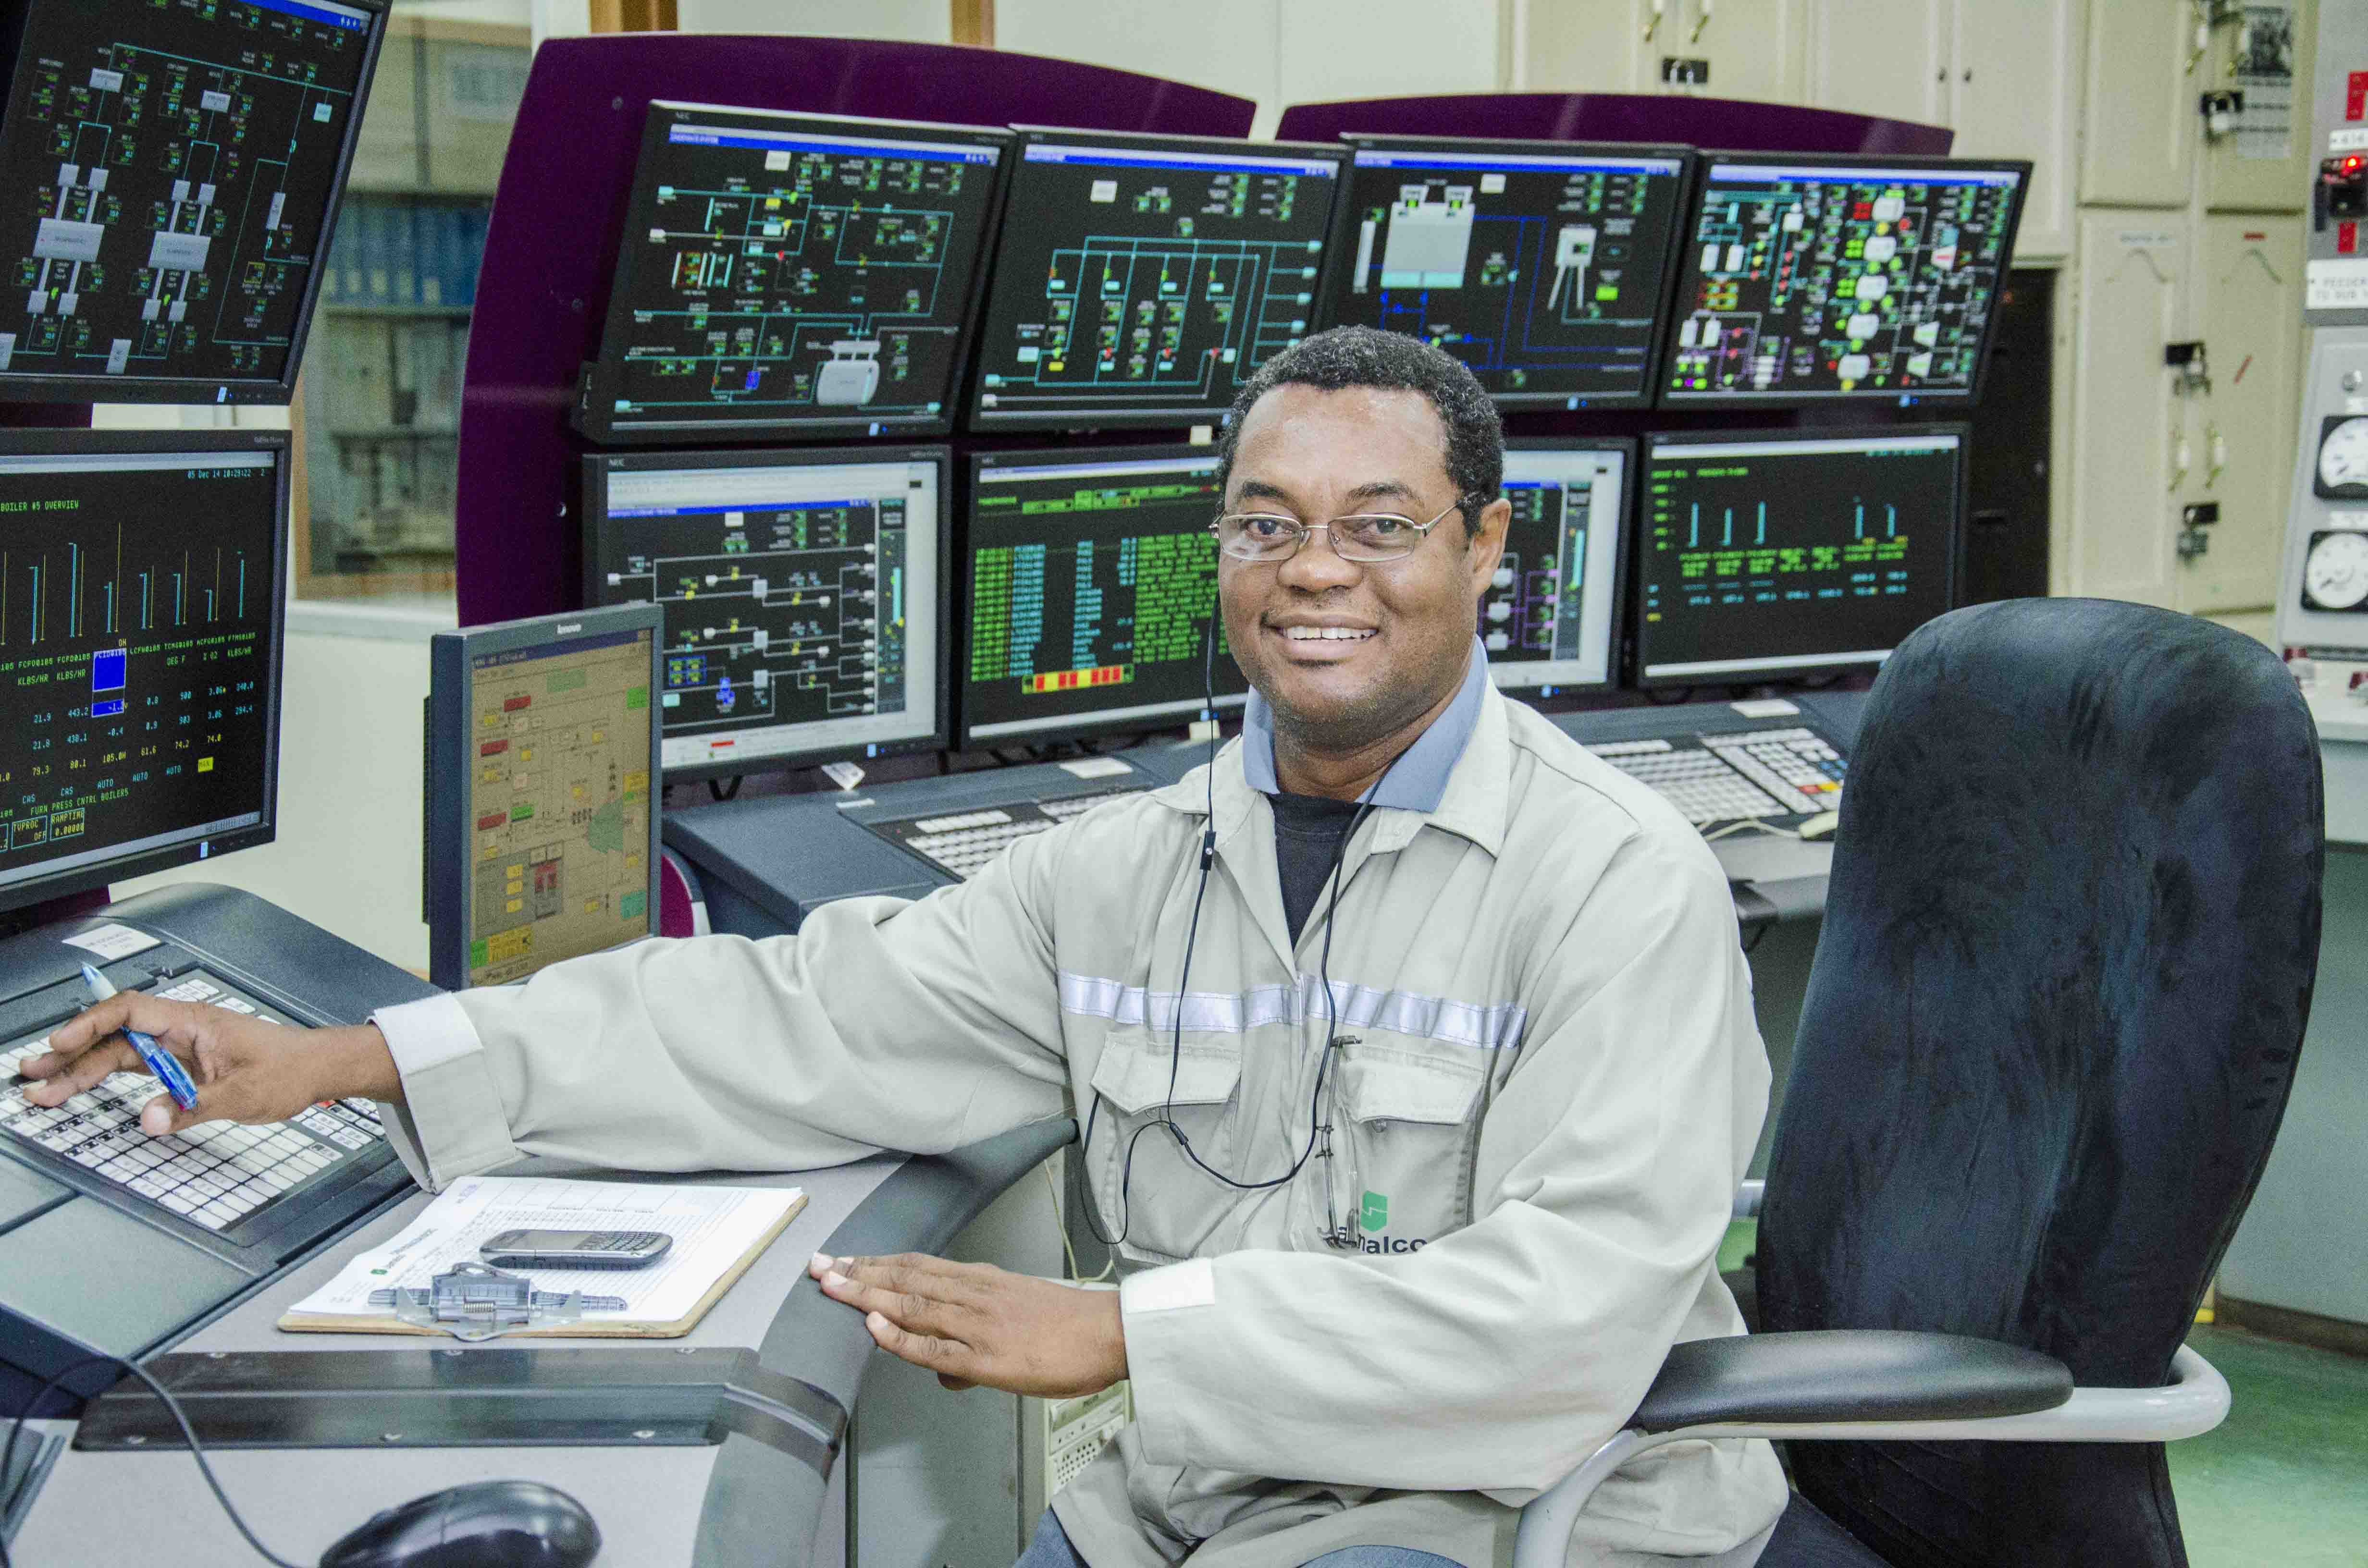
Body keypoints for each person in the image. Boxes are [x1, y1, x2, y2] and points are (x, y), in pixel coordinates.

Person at [27, 327, 1801, 1567]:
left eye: (1381, 526)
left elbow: (1565, 1315)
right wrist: (346, 1056)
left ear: (1487, 549)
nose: (1314, 571)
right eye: (1267, 523)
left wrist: (1127, 1334)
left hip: (1510, 1519)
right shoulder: (1133, 867)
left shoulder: (1612, 880)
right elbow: (797, 1014)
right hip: (1196, 1504)